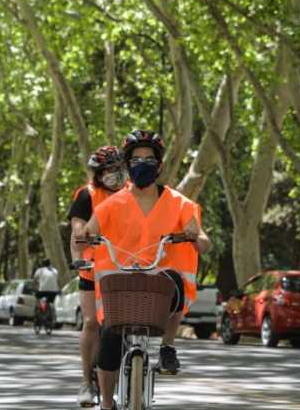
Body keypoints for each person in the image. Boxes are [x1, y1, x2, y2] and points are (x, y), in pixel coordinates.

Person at [74, 130, 211, 410]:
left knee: (176, 282)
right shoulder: (112, 204)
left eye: (149, 159)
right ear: (127, 164)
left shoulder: (179, 203)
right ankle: (107, 404)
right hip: (121, 281)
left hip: (158, 283)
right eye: (136, 159)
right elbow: (88, 231)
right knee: (110, 340)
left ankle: (168, 347)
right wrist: (84, 236)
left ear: (159, 166)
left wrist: (195, 237)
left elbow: (204, 242)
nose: (143, 164)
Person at [66, 145, 127, 407]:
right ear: (99, 173)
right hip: (92, 268)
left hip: (124, 268)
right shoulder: (86, 195)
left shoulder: (133, 194)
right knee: (91, 322)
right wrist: (79, 250)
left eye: (119, 168)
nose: (116, 174)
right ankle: (86, 382)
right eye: (110, 170)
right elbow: (78, 230)